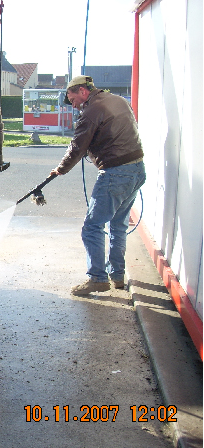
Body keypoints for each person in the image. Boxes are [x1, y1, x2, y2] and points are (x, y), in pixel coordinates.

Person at [50, 76, 146, 296]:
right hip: (137, 170)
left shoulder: (92, 111)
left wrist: (60, 170)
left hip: (116, 172)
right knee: (118, 225)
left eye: (73, 99)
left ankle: (97, 278)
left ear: (83, 91)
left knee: (92, 227)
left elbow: (77, 147)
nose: (73, 105)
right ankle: (117, 276)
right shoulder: (118, 100)